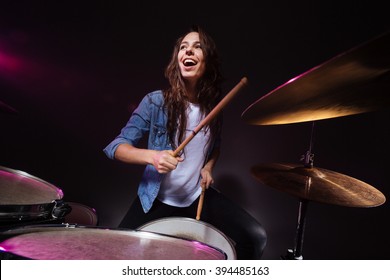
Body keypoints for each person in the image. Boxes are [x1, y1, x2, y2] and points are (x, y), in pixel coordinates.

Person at [103, 25, 267, 259]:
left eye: (197, 47)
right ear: (177, 59)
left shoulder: (213, 110)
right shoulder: (155, 102)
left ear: (208, 62)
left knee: (254, 237)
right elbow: (115, 147)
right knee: (116, 255)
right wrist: (153, 156)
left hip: (195, 197)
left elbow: (214, 146)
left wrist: (208, 167)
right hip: (157, 199)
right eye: (183, 47)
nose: (188, 52)